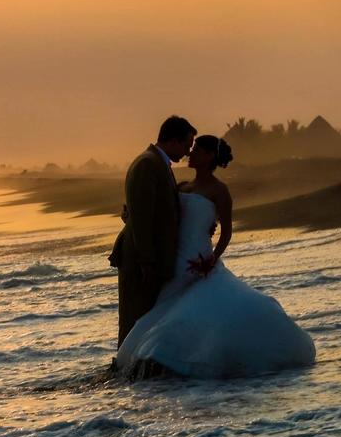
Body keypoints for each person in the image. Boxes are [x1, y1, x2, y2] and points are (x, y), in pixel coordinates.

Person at [115, 135, 316, 378]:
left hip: (199, 256)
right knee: (170, 306)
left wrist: (212, 259)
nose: (191, 153)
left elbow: (227, 233)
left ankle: (191, 361)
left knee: (195, 308)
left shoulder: (219, 191)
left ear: (210, 156)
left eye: (197, 150)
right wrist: (132, 214)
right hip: (177, 257)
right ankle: (169, 359)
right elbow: (161, 213)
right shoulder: (182, 187)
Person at [108, 116, 196, 349]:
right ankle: (129, 371)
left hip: (148, 257)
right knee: (136, 319)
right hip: (141, 259)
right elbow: (143, 218)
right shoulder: (149, 164)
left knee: (144, 318)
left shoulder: (158, 163)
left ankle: (141, 371)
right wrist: (147, 261)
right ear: (174, 140)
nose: (188, 151)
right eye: (187, 144)